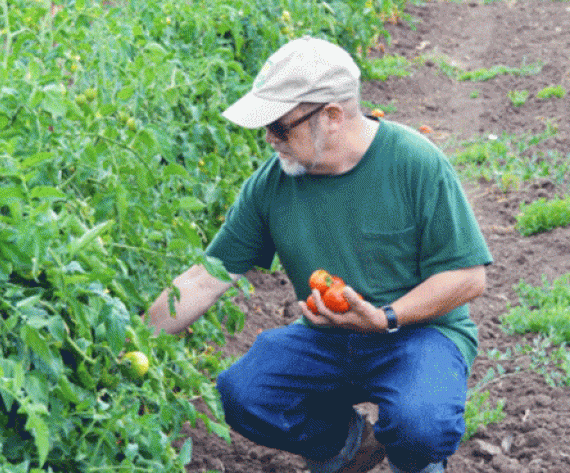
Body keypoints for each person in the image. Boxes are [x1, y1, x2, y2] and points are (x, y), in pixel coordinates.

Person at [145, 37, 492, 473]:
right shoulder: (272, 184)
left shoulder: (414, 163)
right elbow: (204, 278)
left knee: (420, 424)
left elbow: (467, 277)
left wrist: (386, 316)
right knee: (244, 393)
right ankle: (347, 448)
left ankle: (415, 462)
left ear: (331, 116)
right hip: (326, 337)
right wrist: (132, 346)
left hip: (417, 333)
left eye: (279, 126)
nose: (269, 139)